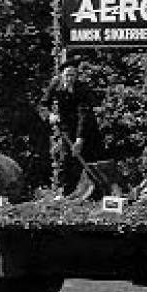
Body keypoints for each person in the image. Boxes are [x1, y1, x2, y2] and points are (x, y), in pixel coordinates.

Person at [40, 65, 104, 195]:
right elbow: (43, 105)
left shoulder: (82, 89)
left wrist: (79, 139)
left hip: (85, 126)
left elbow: (83, 114)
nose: (69, 78)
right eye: (67, 75)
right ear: (61, 75)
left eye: (73, 75)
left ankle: (93, 191)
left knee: (86, 156)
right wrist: (50, 115)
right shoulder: (55, 85)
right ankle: (65, 191)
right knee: (66, 157)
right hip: (65, 125)